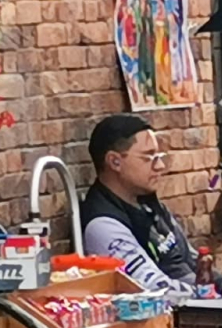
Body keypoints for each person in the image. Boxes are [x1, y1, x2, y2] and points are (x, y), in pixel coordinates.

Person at [80, 113, 214, 297]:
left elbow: (188, 257)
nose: (159, 166)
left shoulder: (147, 201)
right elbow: (152, 287)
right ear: (115, 162)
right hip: (167, 313)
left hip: (195, 301)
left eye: (158, 155)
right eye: (148, 157)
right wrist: (209, 297)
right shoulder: (103, 225)